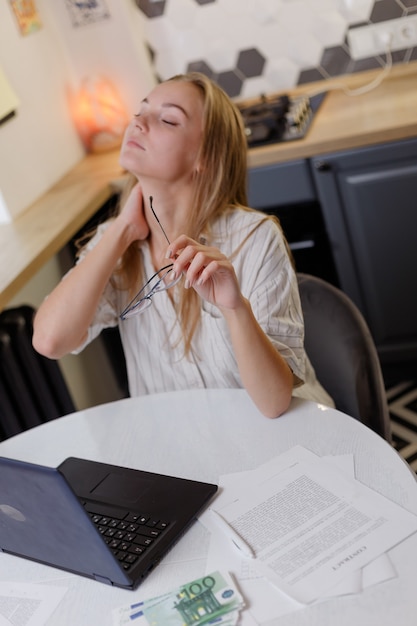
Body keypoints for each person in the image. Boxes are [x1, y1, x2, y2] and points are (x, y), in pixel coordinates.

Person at [32, 72, 334, 418]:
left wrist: (235, 307)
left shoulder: (254, 238)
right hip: (184, 449)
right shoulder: (115, 244)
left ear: (203, 156)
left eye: (168, 119)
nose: (139, 122)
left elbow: (273, 404)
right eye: (141, 111)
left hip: (282, 436)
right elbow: (49, 341)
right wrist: (122, 229)